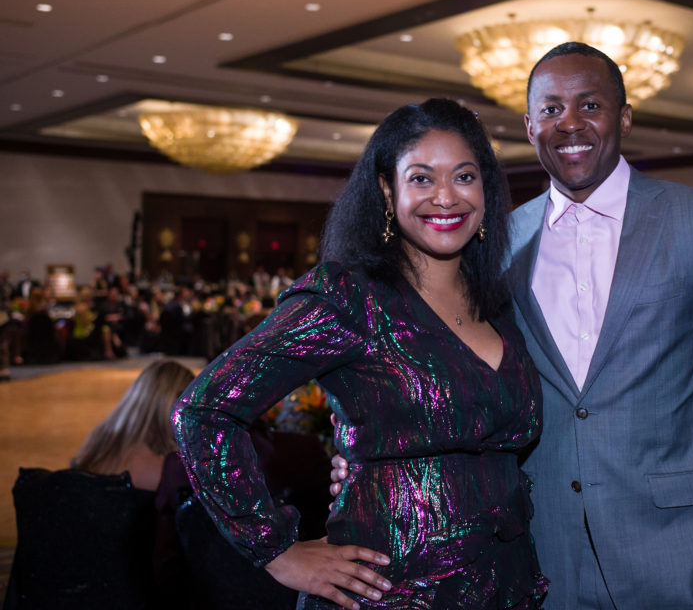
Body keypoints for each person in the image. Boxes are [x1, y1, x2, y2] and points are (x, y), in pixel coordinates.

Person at [331, 44, 693, 609]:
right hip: (540, 557)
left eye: (590, 104)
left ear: (623, 117)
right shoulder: (497, 240)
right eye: (550, 110)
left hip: (685, 560)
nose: (569, 123)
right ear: (528, 126)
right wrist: (365, 454)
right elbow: (448, 374)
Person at [173, 98, 547, 610]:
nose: (445, 197)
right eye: (420, 178)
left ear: (486, 190)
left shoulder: (498, 302)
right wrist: (276, 552)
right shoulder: (349, 297)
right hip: (392, 591)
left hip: (507, 582)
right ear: (387, 190)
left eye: (464, 176)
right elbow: (203, 410)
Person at [73, 358, 195, 490]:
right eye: (190, 407)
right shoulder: (157, 470)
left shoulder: (99, 439)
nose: (192, 419)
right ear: (171, 404)